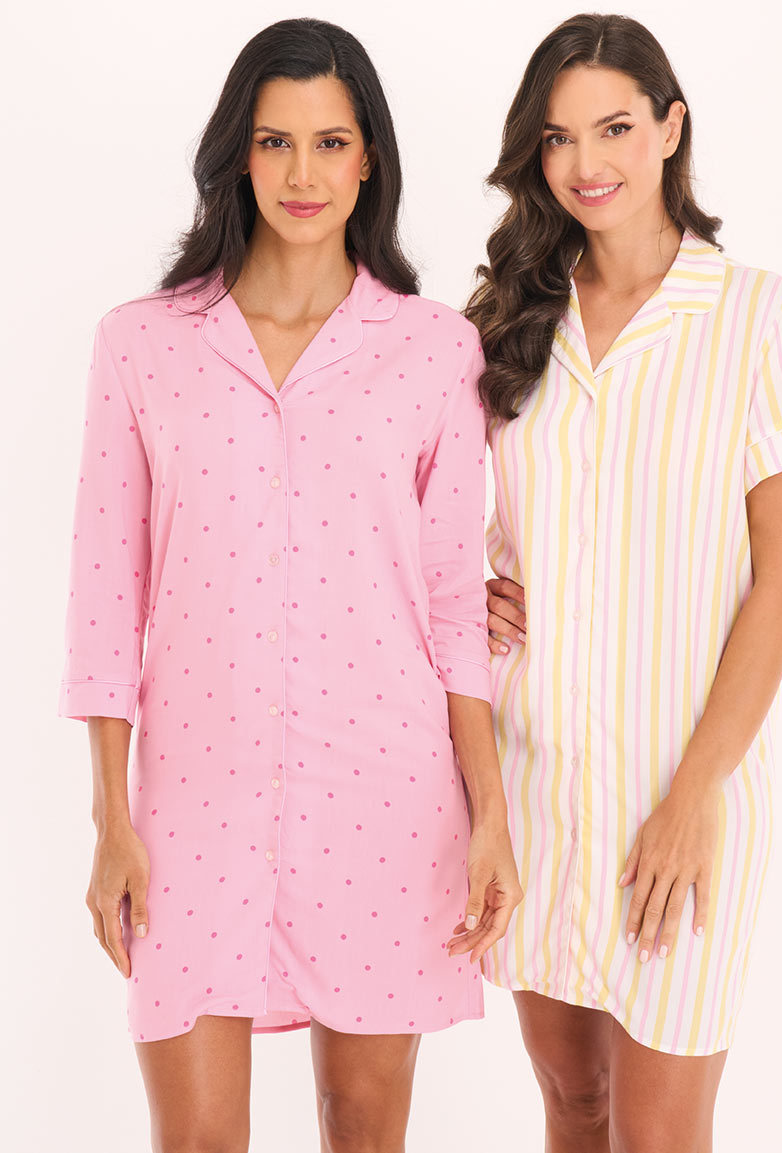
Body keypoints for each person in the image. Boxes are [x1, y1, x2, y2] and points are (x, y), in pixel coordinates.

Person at [58, 17, 521, 1152]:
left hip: (386, 795)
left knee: (363, 1130)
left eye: (329, 142)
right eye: (275, 142)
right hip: (192, 804)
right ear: (239, 155)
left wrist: (490, 813)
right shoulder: (143, 345)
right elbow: (106, 599)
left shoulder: (434, 349)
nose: (302, 173)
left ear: (369, 160)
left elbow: (454, 605)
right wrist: (110, 819)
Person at [465, 12, 782, 1152]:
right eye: (558, 137)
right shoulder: (507, 320)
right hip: (534, 784)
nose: (587, 163)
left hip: (684, 793)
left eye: (617, 128)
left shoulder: (759, 316)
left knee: (660, 1133)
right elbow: (433, 512)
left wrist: (691, 801)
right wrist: (460, 591)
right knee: (572, 1102)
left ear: (672, 128)